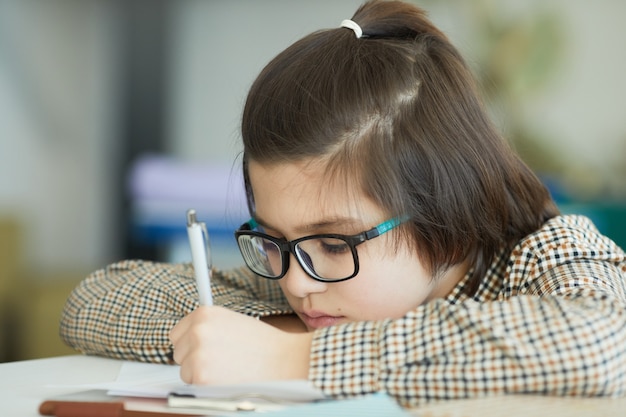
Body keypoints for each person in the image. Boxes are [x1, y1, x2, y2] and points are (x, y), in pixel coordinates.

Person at [60, 0, 626, 408]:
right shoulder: (318, 281)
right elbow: (96, 299)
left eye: (333, 242)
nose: (298, 283)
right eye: (273, 239)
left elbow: (600, 345)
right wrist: (272, 332)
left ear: (448, 226)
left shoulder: (547, 251)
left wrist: (292, 360)